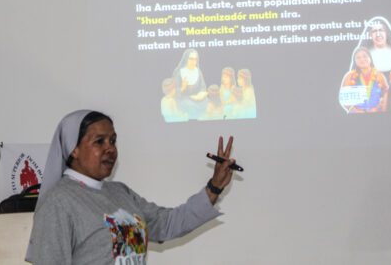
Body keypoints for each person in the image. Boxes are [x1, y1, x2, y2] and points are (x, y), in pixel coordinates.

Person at [26, 110, 236, 264]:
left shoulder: (119, 192)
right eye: (99, 141)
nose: (110, 149)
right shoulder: (59, 202)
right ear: (74, 149)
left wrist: (214, 187)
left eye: (113, 141)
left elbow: (167, 224)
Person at [339, 47, 388, 113]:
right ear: (355, 61)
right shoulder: (350, 76)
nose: (362, 59)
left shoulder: (379, 75)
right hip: (356, 115)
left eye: (365, 56)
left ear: (370, 58)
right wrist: (354, 110)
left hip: (377, 113)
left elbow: (386, 93)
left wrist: (379, 108)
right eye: (358, 58)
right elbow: (343, 98)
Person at [172, 49, 208, 119]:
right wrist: (182, 88)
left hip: (197, 99)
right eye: (191, 59)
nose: (193, 62)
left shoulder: (198, 71)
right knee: (190, 106)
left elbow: (203, 87)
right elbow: (173, 92)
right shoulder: (179, 72)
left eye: (195, 59)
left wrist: (201, 94)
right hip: (183, 99)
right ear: (186, 59)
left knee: (207, 102)